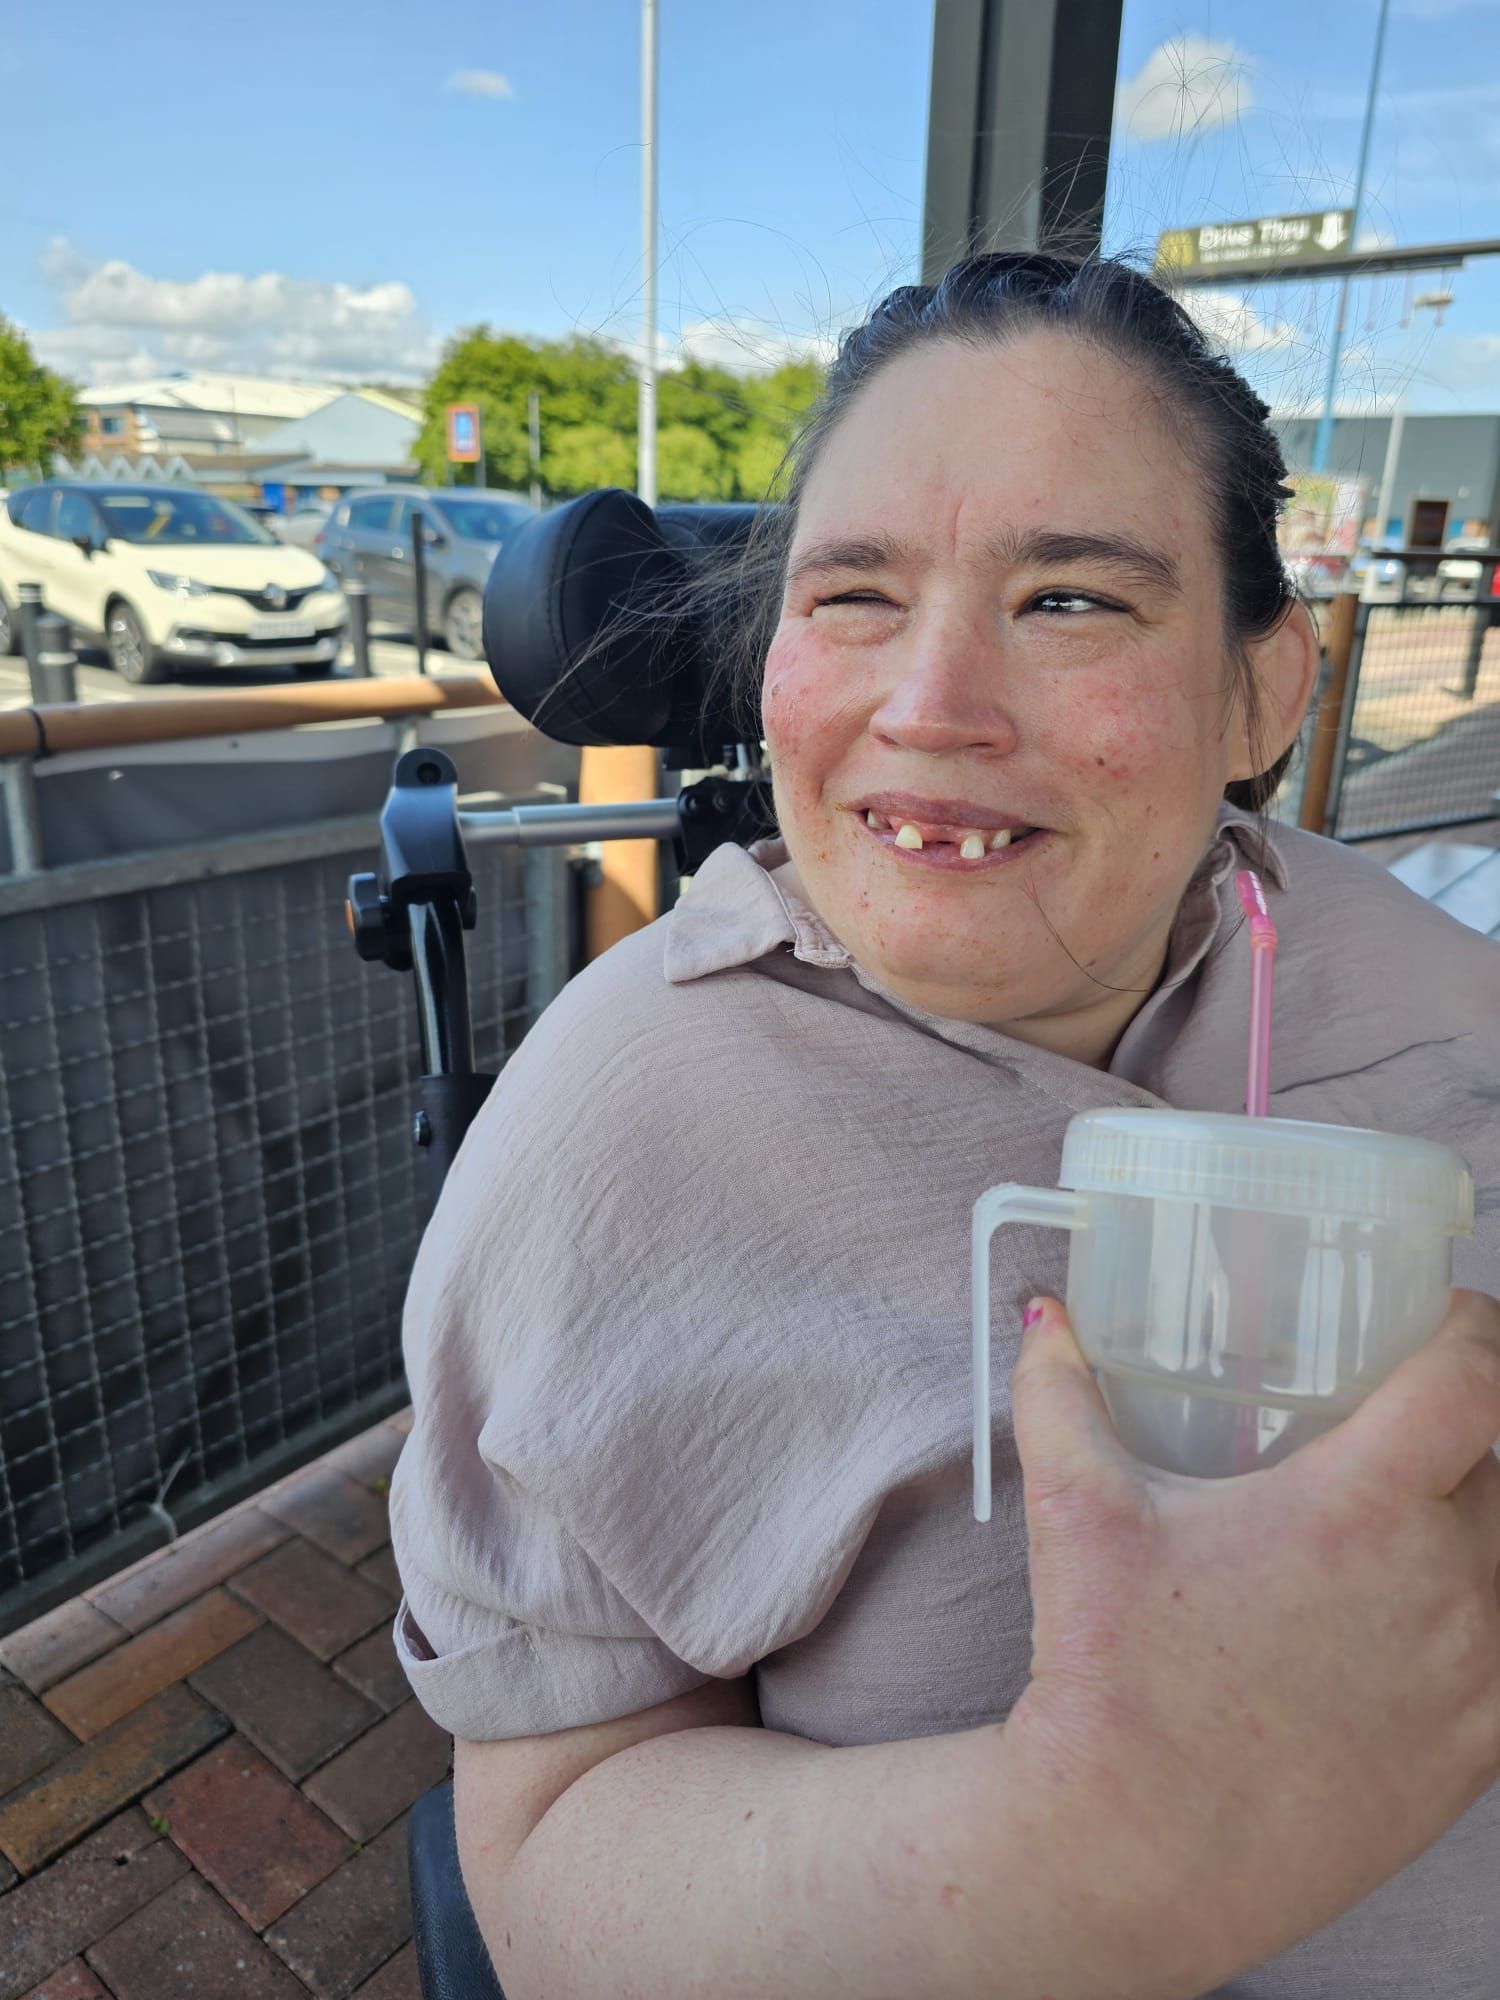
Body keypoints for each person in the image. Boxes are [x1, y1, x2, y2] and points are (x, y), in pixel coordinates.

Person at [388, 253, 1500, 1998]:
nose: (931, 708)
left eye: (1070, 600)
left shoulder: (1453, 1012)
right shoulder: (602, 1140)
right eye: (853, 598)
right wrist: (1091, 1856)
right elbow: (541, 1849)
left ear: (1262, 695)